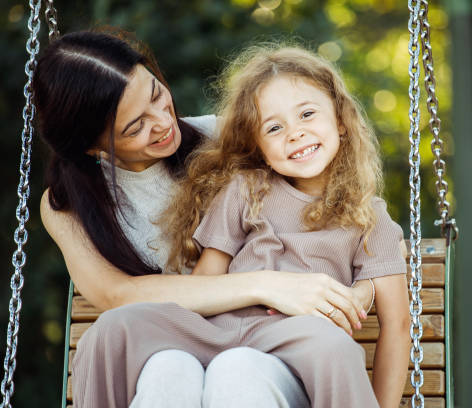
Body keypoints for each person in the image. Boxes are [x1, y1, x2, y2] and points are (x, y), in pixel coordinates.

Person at [33, 30, 377, 408]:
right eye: (135, 127)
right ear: (91, 147)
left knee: (237, 373)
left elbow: (341, 200)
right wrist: (265, 284)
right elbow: (119, 296)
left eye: (156, 94)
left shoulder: (223, 140)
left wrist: (363, 287)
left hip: (266, 356)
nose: (163, 122)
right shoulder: (67, 205)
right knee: (169, 371)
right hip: (166, 349)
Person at [165, 46, 412, 408]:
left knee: (236, 369)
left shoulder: (369, 219)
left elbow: (398, 325)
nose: (295, 134)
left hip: (300, 372)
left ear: (340, 122)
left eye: (308, 114)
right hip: (226, 350)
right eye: (275, 127)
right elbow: (204, 288)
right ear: (259, 147)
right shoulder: (245, 191)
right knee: (196, 361)